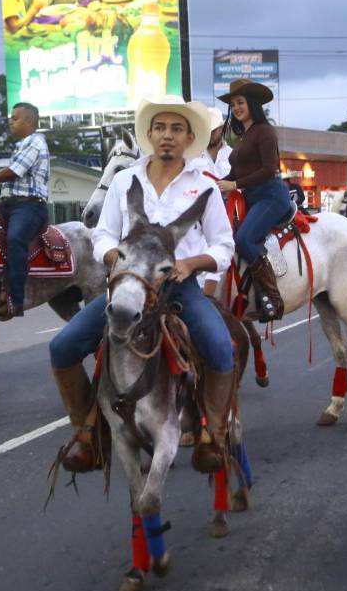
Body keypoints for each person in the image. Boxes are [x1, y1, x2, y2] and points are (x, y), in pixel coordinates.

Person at [48, 97, 237, 473]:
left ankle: (210, 434)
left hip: (178, 289)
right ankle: (88, 431)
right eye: (161, 128)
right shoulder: (124, 181)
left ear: (189, 138)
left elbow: (224, 245)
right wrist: (115, 261)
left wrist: (190, 263)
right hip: (127, 286)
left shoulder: (206, 189)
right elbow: (101, 234)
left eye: (177, 129)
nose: (168, 135)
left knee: (220, 346)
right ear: (150, 135)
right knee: (63, 347)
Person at [216, 78, 294, 322]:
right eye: (233, 104)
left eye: (240, 102)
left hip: (270, 195)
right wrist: (214, 185)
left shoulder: (265, 131)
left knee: (244, 239)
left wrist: (234, 185)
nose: (236, 108)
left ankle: (273, 299)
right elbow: (237, 173)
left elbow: (269, 170)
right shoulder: (242, 137)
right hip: (251, 197)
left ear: (252, 104)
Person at [0, 102, 50, 319]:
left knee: (15, 239)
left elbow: (15, 171)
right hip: (10, 205)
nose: (10, 122)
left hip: (30, 206)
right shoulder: (22, 145)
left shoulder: (35, 143)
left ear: (29, 121)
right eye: (11, 118)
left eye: (15, 118)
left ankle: (16, 299)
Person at [189, 106, 231, 178]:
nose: (209, 134)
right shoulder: (192, 156)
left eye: (213, 131)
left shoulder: (232, 154)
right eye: (206, 131)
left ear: (222, 128)